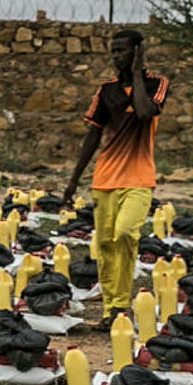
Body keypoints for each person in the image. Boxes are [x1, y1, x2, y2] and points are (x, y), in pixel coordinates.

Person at [65, 28, 169, 322]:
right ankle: (114, 308)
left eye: (122, 50)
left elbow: (146, 112)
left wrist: (137, 74)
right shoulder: (105, 90)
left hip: (139, 177)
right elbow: (91, 136)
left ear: (137, 52)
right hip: (105, 178)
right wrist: (73, 180)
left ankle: (120, 303)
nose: (115, 56)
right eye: (113, 51)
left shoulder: (156, 84)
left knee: (125, 233)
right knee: (106, 245)